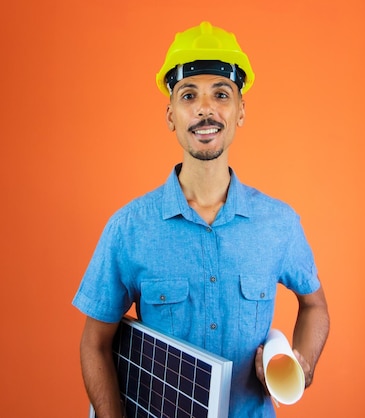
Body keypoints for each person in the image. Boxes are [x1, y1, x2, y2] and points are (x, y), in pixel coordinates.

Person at [72, 21, 330, 418]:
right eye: (188, 95)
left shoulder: (278, 223)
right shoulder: (129, 228)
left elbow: (315, 307)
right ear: (171, 114)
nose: (205, 109)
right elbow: (94, 343)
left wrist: (303, 365)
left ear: (240, 111)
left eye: (221, 94)